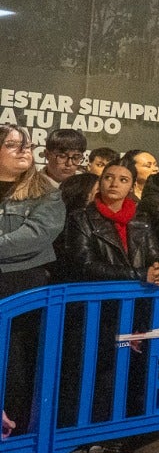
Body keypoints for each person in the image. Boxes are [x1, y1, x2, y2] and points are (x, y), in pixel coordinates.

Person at [55, 162, 159, 453]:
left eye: (123, 179)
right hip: (89, 315)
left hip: (126, 316)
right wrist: (140, 277)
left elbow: (153, 256)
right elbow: (84, 265)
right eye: (108, 177)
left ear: (132, 186)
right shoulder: (82, 219)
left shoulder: (140, 221)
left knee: (107, 382)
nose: (114, 184)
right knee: (79, 381)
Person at [0, 124, 67, 433]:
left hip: (24, 286)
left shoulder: (45, 193)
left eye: (26, 144)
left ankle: (18, 438)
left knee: (17, 366)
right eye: (13, 144)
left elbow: (35, 236)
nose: (24, 149)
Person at [43, 129, 93, 212]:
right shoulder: (31, 184)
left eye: (76, 157)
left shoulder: (87, 186)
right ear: (47, 155)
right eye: (62, 156)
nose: (69, 163)